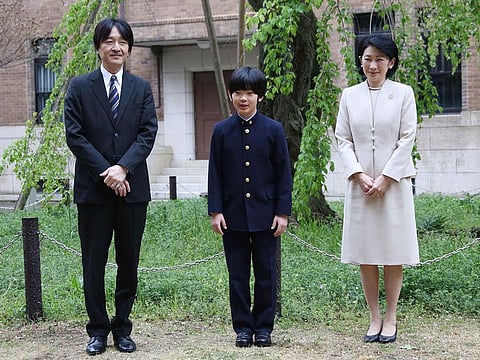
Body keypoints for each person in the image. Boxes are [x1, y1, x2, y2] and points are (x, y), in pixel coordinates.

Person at [64, 18, 158, 355]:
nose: (116, 47)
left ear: (129, 48)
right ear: (98, 46)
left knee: (128, 262)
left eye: (122, 41)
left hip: (133, 192)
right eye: (109, 41)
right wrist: (108, 172)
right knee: (93, 262)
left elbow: (147, 133)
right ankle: (97, 330)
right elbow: (75, 135)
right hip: (93, 192)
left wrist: (123, 169)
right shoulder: (79, 87)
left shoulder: (140, 88)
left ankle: (122, 328)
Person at [334, 35, 419, 344]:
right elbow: (342, 138)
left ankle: (392, 316)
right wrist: (357, 174)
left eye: (380, 59)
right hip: (361, 186)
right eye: (368, 58)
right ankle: (373, 316)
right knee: (367, 252)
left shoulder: (403, 94)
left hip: (393, 186)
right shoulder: (349, 96)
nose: (373, 64)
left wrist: (386, 177)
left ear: (391, 63)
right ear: (360, 60)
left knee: (393, 251)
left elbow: (407, 137)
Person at [208, 66, 292, 348]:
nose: (244, 99)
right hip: (232, 217)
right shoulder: (221, 131)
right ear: (231, 95)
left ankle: (264, 328)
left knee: (266, 274)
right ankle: (243, 328)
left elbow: (283, 173)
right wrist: (216, 211)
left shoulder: (273, 129)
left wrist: (282, 212)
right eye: (238, 93)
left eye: (250, 93)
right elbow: (215, 174)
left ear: (259, 97)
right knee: (238, 275)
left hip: (266, 215)